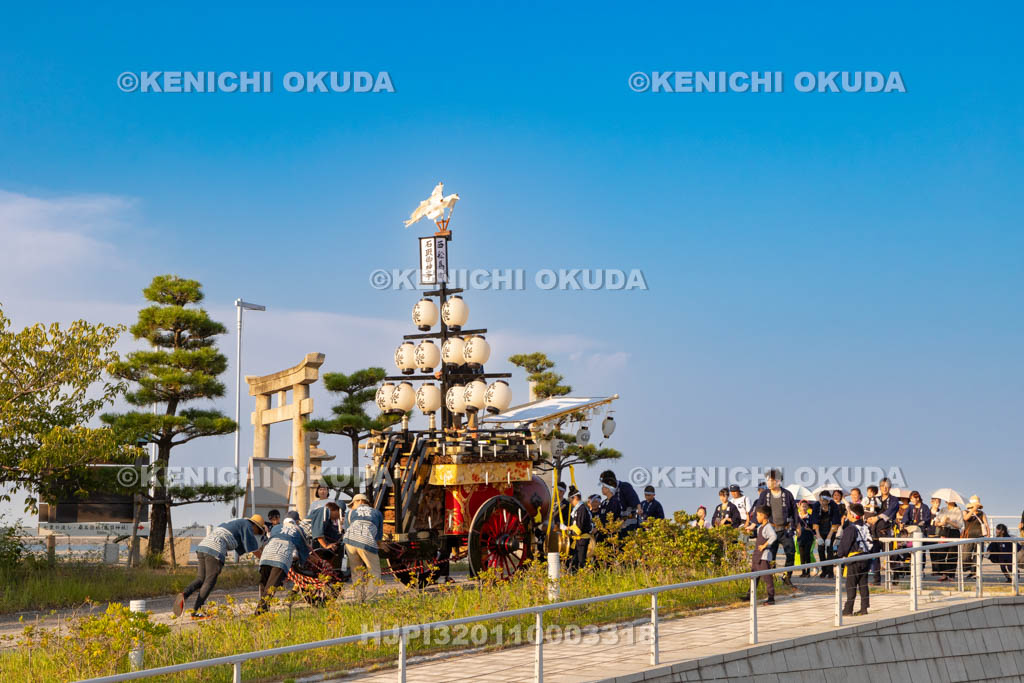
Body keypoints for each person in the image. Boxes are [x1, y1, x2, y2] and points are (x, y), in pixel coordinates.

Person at [175, 515, 266, 618]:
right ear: (254, 525)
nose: (255, 533)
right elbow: (253, 549)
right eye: (257, 531)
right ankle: (196, 611)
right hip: (215, 549)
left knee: (201, 579)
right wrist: (264, 559)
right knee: (209, 581)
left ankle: (184, 594)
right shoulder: (247, 525)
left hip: (203, 546)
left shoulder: (236, 523)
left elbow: (242, 547)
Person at [746, 470, 797, 585]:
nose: (768, 482)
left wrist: (796, 526)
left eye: (770, 480)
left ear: (778, 481)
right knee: (770, 556)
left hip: (785, 530)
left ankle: (786, 577)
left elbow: (794, 511)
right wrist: (753, 524)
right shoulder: (765, 494)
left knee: (790, 553)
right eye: (767, 480)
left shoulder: (787, 494)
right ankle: (771, 579)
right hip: (771, 530)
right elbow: (759, 509)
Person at [256, 511, 310, 615]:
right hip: (281, 558)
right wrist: (302, 563)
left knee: (264, 584)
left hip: (266, 556)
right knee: (271, 587)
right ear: (297, 521)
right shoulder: (298, 529)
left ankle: (262, 611)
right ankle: (259, 613)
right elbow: (303, 548)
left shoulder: (276, 528)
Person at [345, 493, 384, 601]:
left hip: (349, 541)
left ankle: (359, 598)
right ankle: (370, 599)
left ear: (355, 503)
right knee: (374, 571)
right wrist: (381, 546)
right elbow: (379, 535)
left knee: (357, 572)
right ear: (367, 503)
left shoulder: (350, 512)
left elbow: (346, 528)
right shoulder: (376, 512)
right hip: (366, 541)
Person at [837, 503, 873, 616]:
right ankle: (864, 607)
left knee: (851, 584)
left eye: (848, 513)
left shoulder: (850, 529)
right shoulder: (865, 527)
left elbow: (845, 545)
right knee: (863, 584)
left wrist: (839, 556)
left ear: (852, 515)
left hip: (854, 559)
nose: (847, 515)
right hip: (866, 557)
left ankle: (848, 609)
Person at [865, 478, 900, 585]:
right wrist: (869, 518)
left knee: (892, 555)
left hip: (887, 531)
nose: (884, 488)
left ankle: (895, 577)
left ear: (890, 487)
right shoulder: (875, 499)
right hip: (874, 531)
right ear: (879, 487)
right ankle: (877, 580)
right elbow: (869, 510)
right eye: (882, 486)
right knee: (875, 556)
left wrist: (877, 517)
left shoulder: (894, 500)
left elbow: (890, 512)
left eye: (886, 486)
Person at [751, 505, 777, 606]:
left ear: (764, 516)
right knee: (753, 577)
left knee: (767, 578)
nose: (756, 517)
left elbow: (773, 536)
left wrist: (764, 545)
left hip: (764, 556)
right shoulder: (760, 528)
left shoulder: (768, 527)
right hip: (757, 556)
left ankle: (771, 598)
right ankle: (749, 596)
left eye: (758, 515)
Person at [932, 500, 964, 581]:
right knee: (941, 553)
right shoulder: (943, 509)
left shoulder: (958, 510)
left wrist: (949, 521)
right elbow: (936, 522)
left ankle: (951, 575)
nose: (949, 501)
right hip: (944, 531)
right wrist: (941, 523)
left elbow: (959, 525)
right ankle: (944, 574)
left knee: (952, 555)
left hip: (954, 532)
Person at [962, 495, 990, 579]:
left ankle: (974, 572)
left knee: (978, 556)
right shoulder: (965, 511)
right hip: (968, 537)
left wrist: (988, 535)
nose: (976, 506)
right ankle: (970, 568)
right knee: (965, 556)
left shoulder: (982, 513)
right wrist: (972, 510)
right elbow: (966, 518)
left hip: (980, 537)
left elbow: (986, 524)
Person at [565, 489, 592, 572]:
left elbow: (578, 528)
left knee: (580, 563)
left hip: (581, 540)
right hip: (577, 540)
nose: (570, 502)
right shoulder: (578, 509)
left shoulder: (582, 509)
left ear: (576, 497)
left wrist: (569, 528)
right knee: (573, 562)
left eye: (571, 499)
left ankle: (581, 580)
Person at [796, 499, 818, 576]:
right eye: (802, 506)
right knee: (802, 555)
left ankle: (808, 572)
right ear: (799, 507)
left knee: (807, 554)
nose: (804, 508)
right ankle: (803, 572)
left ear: (808, 507)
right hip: (800, 538)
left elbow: (814, 527)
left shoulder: (811, 517)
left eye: (805, 506)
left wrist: (809, 529)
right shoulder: (797, 516)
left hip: (809, 538)